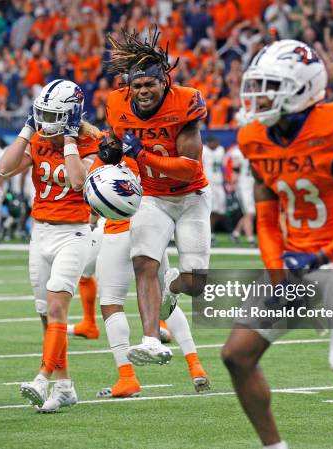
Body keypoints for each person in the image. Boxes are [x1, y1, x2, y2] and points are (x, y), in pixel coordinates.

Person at [222, 40, 333, 449]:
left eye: (269, 86)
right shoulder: (255, 138)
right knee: (236, 354)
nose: (257, 96)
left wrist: (320, 256)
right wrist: (277, 272)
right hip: (295, 261)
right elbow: (268, 217)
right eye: (255, 85)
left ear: (302, 87)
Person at [101, 28, 211, 365]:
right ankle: (150, 339)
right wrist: (111, 153)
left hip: (190, 196)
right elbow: (116, 148)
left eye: (150, 83)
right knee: (143, 263)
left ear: (164, 81)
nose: (144, 91)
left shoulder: (186, 100)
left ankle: (172, 287)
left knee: (195, 283)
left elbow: (189, 169)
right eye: (137, 85)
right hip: (151, 197)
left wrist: (143, 155)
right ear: (128, 87)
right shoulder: (116, 104)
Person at [0, 79, 98, 413]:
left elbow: (78, 181)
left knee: (57, 309)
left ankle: (42, 377)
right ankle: (65, 385)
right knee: (46, 315)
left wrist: (69, 139)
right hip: (40, 232)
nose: (44, 120)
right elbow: (4, 167)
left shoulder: (91, 140)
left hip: (74, 233)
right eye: (40, 113)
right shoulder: (39, 137)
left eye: (51, 115)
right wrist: (27, 130)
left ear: (71, 115)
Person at [93, 136, 211, 397]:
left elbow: (89, 187)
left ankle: (127, 378)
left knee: (111, 302)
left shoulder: (110, 149)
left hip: (122, 228)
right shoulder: (150, 148)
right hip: (153, 227)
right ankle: (196, 366)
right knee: (165, 301)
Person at [227, 142, 256, 247]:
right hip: (243, 185)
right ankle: (250, 239)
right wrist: (232, 185)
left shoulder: (256, 150)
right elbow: (235, 171)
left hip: (254, 184)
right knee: (250, 213)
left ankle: (235, 233)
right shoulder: (238, 153)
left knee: (249, 213)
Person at [202, 135, 226, 244]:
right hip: (208, 183)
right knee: (209, 210)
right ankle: (208, 234)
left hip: (219, 183)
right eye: (215, 142)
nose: (217, 144)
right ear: (209, 142)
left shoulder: (220, 150)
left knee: (220, 211)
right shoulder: (203, 151)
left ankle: (210, 231)